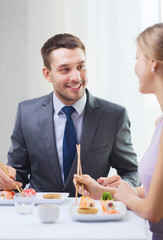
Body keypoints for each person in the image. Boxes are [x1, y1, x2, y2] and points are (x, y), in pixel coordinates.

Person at [0, 33, 140, 196]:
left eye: (81, 66)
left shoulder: (114, 116)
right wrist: (7, 178)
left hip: (92, 215)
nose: (76, 77)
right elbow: (18, 174)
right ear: (47, 74)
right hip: (41, 215)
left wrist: (124, 185)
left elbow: (131, 172)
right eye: (65, 69)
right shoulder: (26, 113)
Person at [74, 23, 163, 239]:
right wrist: (102, 191)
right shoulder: (160, 122)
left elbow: (152, 210)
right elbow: (155, 194)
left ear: (153, 63)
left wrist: (128, 198)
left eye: (137, 59)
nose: (134, 69)